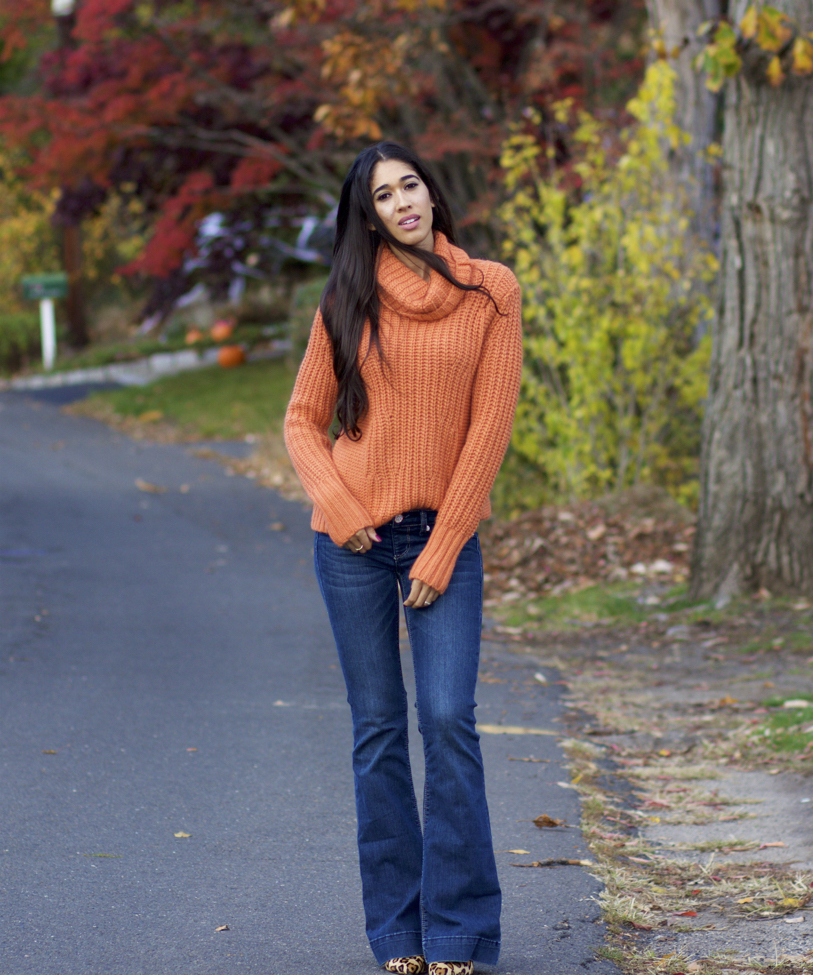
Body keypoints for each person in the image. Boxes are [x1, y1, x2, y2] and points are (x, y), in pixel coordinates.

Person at [284, 141, 522, 975]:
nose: (402, 203)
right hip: (351, 543)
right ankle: (399, 934)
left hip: (441, 537)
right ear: (369, 214)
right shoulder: (347, 297)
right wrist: (342, 510)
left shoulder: (490, 291)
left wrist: (446, 544)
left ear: (430, 192)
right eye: (383, 195)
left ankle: (459, 930)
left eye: (409, 185)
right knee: (379, 731)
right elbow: (301, 420)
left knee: (449, 720)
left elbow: (488, 432)